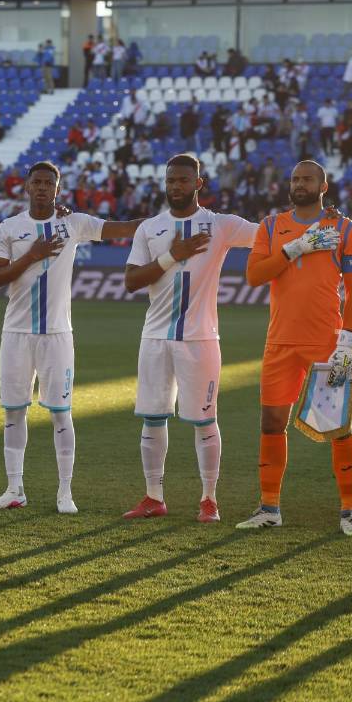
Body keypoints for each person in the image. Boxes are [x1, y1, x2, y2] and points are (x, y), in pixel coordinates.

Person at [0, 162, 142, 513]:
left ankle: (64, 493)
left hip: (57, 335)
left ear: (58, 188)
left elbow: (124, 228)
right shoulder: (10, 227)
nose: (42, 188)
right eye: (36, 182)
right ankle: (14, 489)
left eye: (48, 183)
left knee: (61, 413)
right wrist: (32, 256)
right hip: (16, 333)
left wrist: (165, 222)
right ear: (26, 187)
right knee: (13, 412)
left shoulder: (73, 223)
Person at [121, 154, 262, 523]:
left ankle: (209, 499)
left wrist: (313, 222)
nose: (176, 186)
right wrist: (172, 256)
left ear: (199, 183)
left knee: (204, 420)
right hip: (154, 337)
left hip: (199, 339)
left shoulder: (221, 225)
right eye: (171, 180)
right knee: (152, 418)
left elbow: (268, 234)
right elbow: (133, 281)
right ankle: (153, 497)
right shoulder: (150, 228)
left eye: (183, 180)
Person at [237, 161, 352, 535]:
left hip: (326, 343)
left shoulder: (344, 228)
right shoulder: (272, 226)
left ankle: (348, 513)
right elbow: (254, 276)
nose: (299, 184)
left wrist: (348, 341)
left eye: (308, 178)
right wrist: (294, 248)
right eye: (294, 178)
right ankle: (269, 508)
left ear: (323, 185)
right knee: (272, 424)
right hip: (279, 341)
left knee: (338, 426)